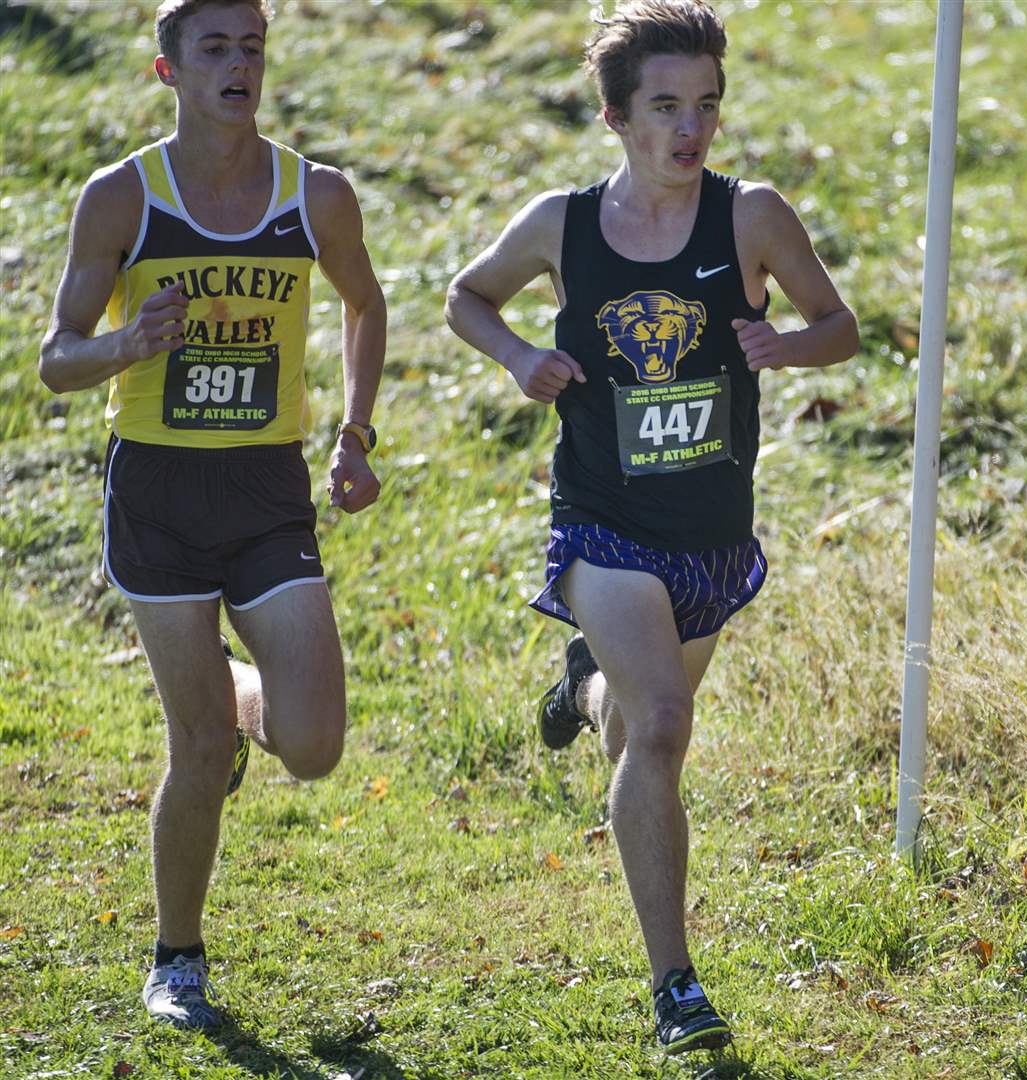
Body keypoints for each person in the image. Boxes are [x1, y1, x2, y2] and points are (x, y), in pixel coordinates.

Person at [445, 0, 857, 1056]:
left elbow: (840, 326)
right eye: (666, 106)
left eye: (707, 105)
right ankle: (676, 986)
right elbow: (467, 297)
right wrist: (517, 358)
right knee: (666, 727)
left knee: (633, 731)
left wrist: (785, 348)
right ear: (616, 116)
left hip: (710, 535)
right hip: (604, 523)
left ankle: (583, 685)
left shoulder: (751, 215)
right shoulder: (562, 224)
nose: (691, 129)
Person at [39, 0, 386, 1030]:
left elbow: (365, 305)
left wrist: (355, 435)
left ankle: (243, 691)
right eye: (216, 49)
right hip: (157, 492)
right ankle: (177, 960)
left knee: (316, 743)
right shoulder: (120, 200)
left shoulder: (314, 195)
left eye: (253, 47)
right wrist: (124, 347)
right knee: (196, 751)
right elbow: (58, 357)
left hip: (266, 488)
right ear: (168, 70)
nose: (241, 65)